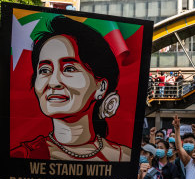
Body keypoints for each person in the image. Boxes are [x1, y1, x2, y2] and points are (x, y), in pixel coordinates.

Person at [10, 16, 130, 162]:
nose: (53, 82)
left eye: (69, 68)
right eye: (44, 70)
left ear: (101, 87)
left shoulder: (123, 159)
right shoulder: (21, 158)